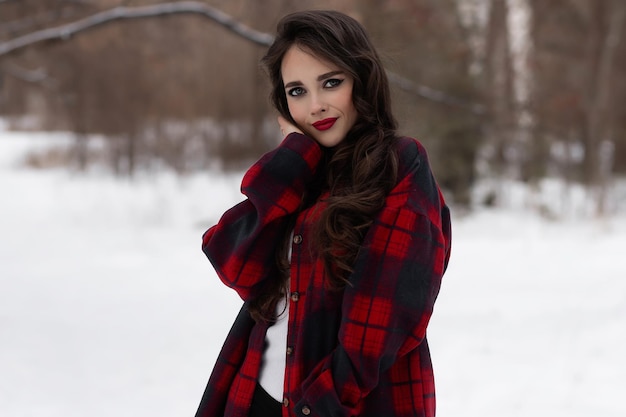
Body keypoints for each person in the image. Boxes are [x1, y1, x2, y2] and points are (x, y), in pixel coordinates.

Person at [195, 9, 451, 417]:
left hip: (341, 405)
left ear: (360, 81)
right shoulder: (300, 173)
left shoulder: (398, 165)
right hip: (255, 398)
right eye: (297, 91)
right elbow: (235, 264)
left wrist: (320, 404)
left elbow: (387, 315)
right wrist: (294, 159)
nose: (315, 105)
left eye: (331, 83)